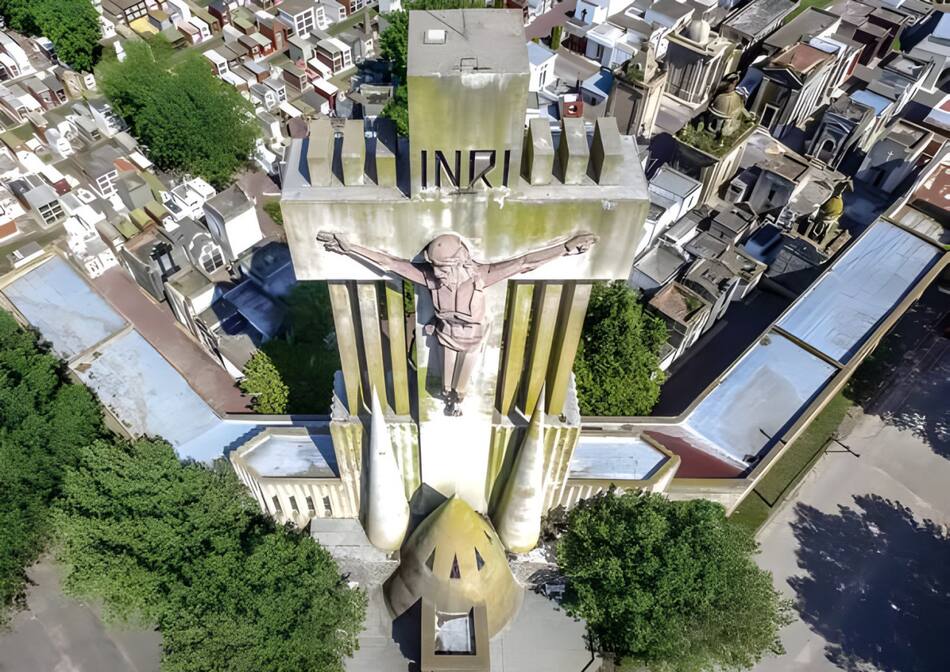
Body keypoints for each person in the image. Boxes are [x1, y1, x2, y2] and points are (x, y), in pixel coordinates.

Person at [317, 231, 596, 415]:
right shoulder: (431, 280)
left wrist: (565, 248)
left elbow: (523, 263)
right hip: (445, 336)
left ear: (461, 260)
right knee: (446, 386)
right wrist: (350, 248)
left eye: (444, 268)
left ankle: (458, 401)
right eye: (435, 267)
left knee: (461, 386)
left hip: (473, 339)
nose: (438, 274)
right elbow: (392, 263)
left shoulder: (480, 277)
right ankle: (451, 400)